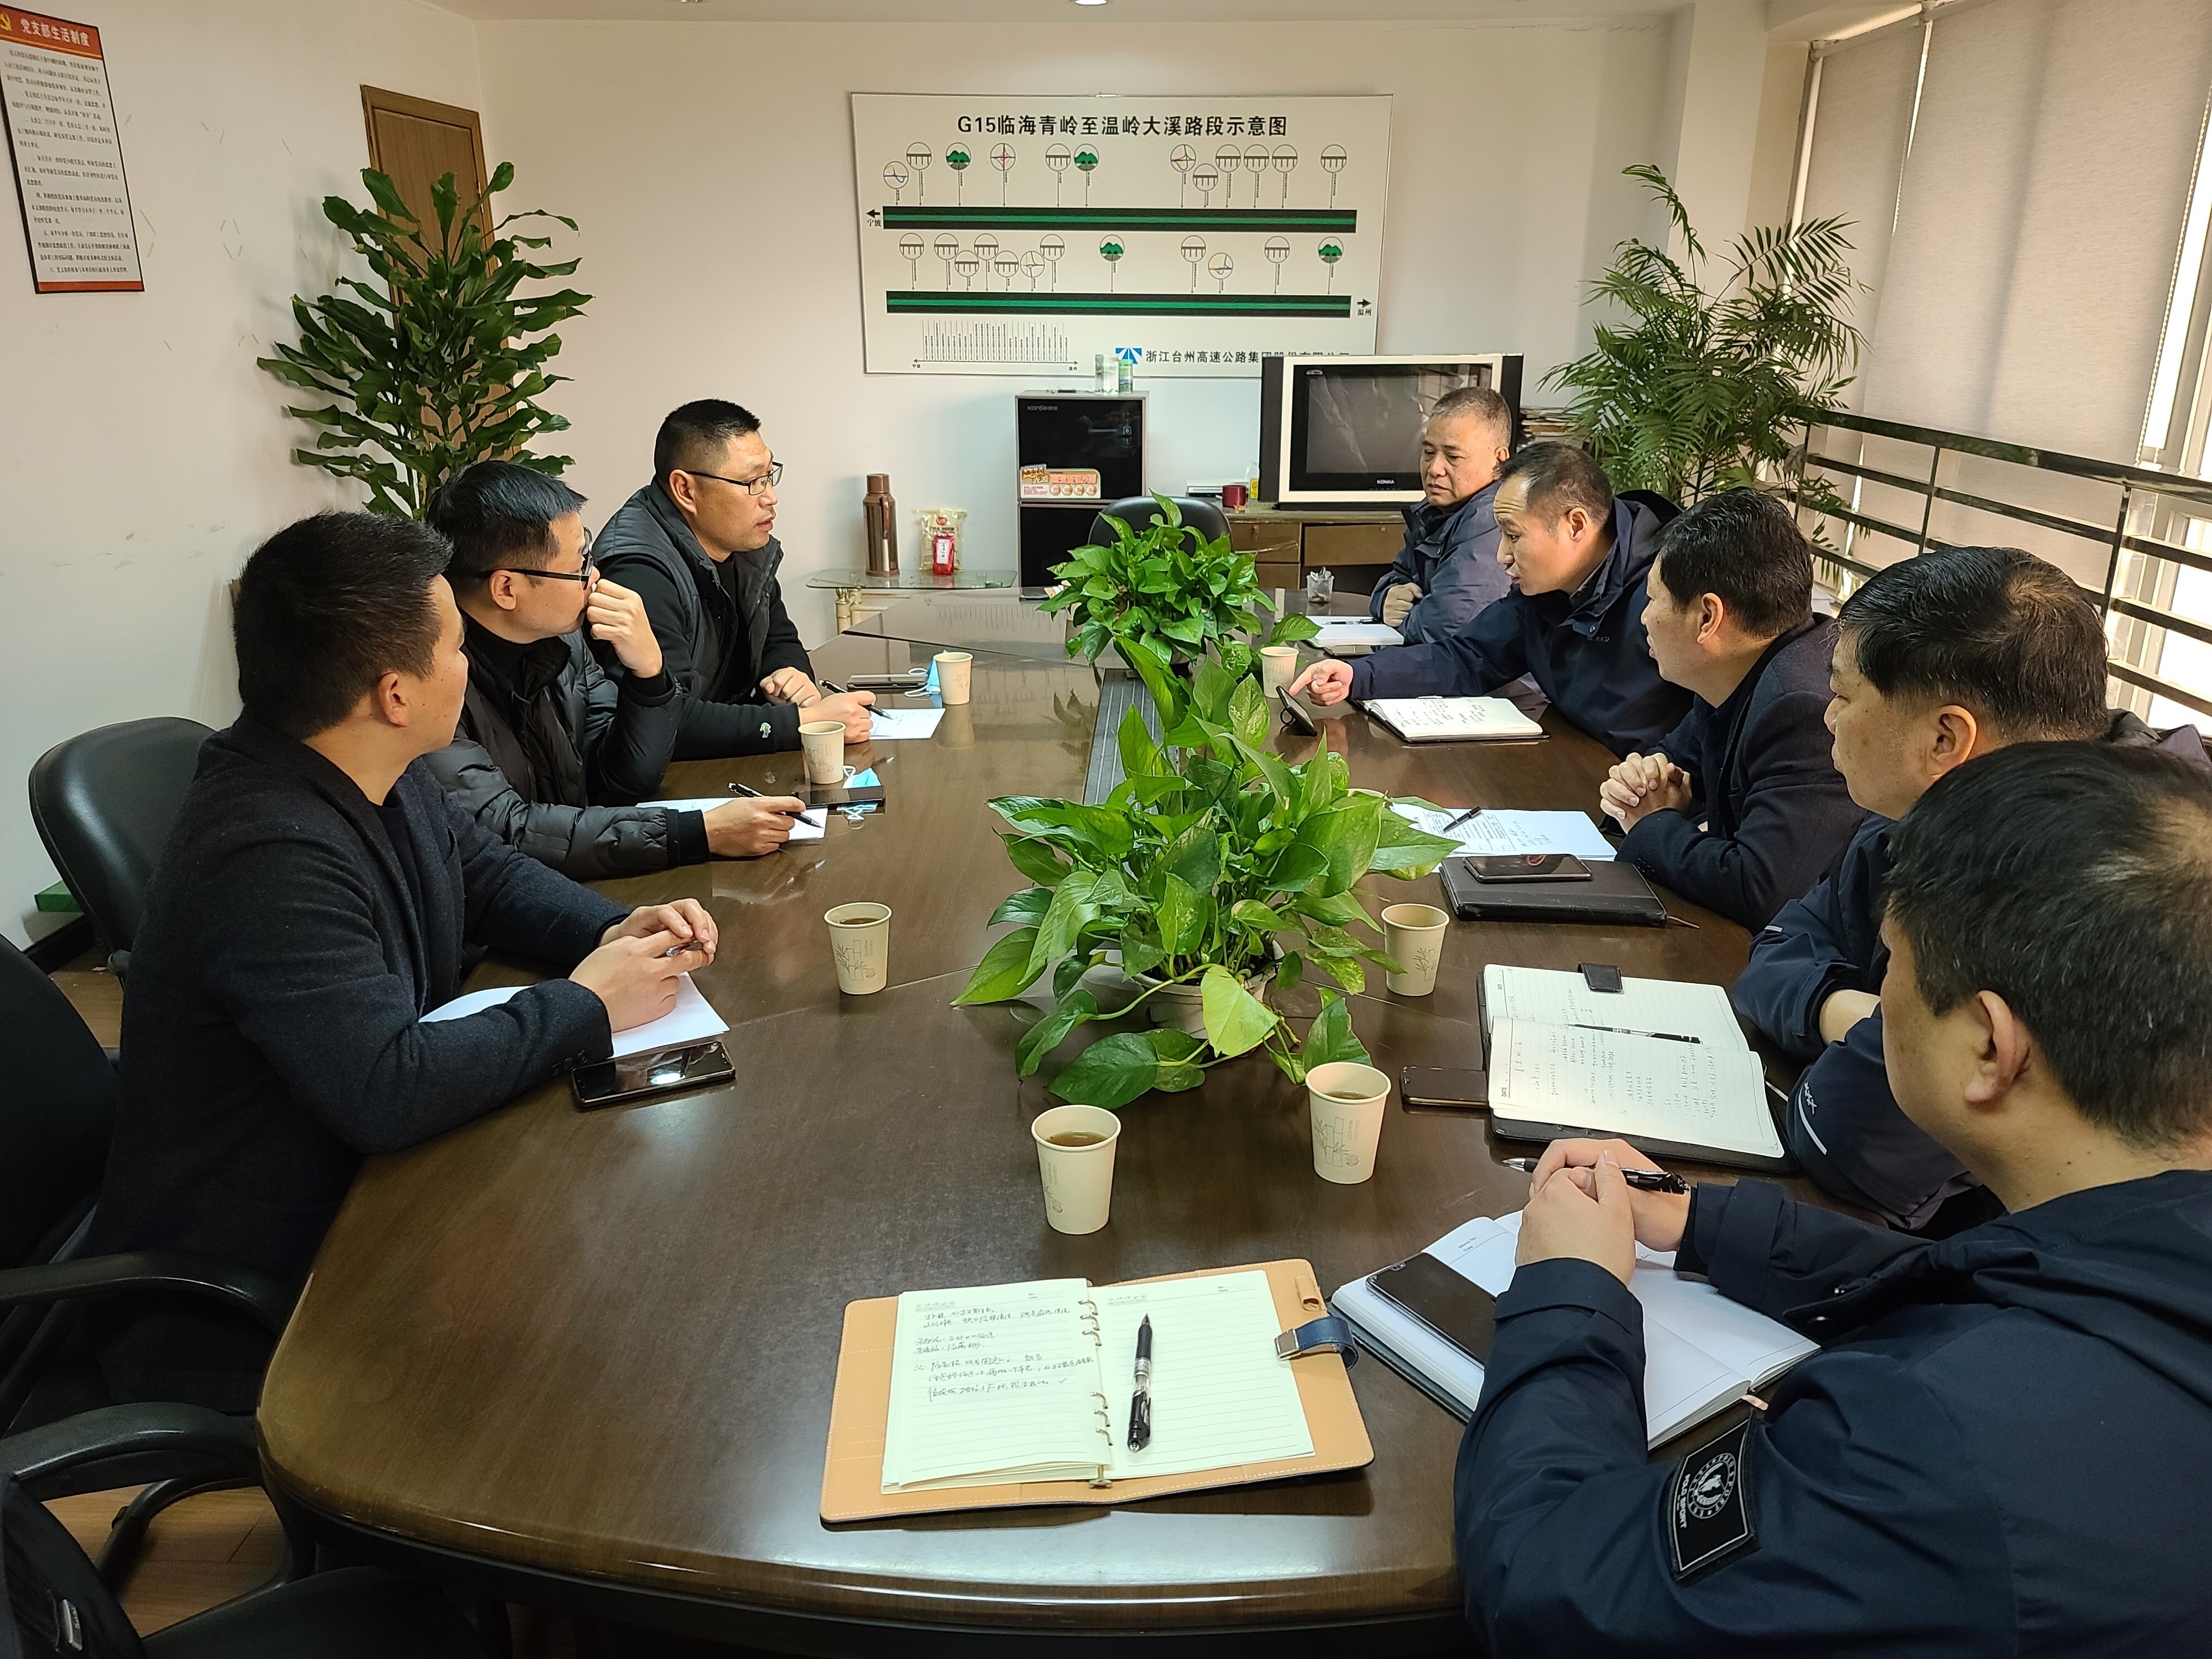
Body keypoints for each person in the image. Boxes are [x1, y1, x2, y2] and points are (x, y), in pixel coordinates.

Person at [1457, 740, 2212, 1655]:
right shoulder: (2142, 1251)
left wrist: (1568, 1289)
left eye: (1890, 965)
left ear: (1989, 1047)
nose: (1878, 992)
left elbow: (1548, 1583)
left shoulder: (1928, 1448)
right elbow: (1988, 1277)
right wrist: (1703, 1221)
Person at [86, 512, 717, 1411]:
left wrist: (615, 931)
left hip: (365, 1184)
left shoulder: (366, 761)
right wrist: (589, 1004)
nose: (468, 664)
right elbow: (387, 1088)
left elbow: (486, 874)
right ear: (393, 693)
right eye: (456, 647)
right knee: (607, 1343)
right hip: (266, 1282)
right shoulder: (265, 850)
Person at [1731, 545, 2209, 1230]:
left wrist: (1870, 1032)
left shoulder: (2108, 884)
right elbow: (1780, 943)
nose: (1827, 718)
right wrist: (1851, 1012)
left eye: (1842, 696)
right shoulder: (1939, 806)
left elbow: (1844, 1136)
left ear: (1945, 739)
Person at [424, 461, 807, 878]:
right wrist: (696, 833)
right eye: (578, 568)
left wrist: (650, 676)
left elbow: (622, 780)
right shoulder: (429, 681)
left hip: (574, 880)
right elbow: (507, 832)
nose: (594, 576)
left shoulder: (563, 642)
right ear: (506, 589)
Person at [1289, 442, 1691, 755]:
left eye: (1513, 535)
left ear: (1576, 526)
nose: (1501, 555)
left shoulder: (1668, 598)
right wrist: (1358, 675)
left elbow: (1709, 729)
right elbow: (1467, 657)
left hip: (1651, 799)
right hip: (1569, 767)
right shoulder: (1545, 594)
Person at [1597, 490, 1861, 927]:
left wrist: (1653, 822)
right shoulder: (1733, 670)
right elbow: (1669, 764)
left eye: (1653, 599)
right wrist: (1636, 785)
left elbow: (1762, 888)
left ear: (1707, 618)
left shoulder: (1804, 709)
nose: (1644, 617)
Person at [592, 399, 875, 758]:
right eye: (752, 482)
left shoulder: (738, 539)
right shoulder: (638, 570)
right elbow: (666, 718)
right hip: (673, 774)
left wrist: (789, 674)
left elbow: (778, 637)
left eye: (769, 476)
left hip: (730, 752)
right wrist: (802, 723)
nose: (770, 497)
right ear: (686, 490)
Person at [1366, 387, 1514, 642]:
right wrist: (1385, 599)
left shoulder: (1494, 518)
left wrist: (1398, 614)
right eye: (1429, 453)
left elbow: (1442, 629)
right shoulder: (1436, 508)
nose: (1435, 469)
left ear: (1498, 460)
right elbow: (1398, 576)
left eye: (1453, 456)